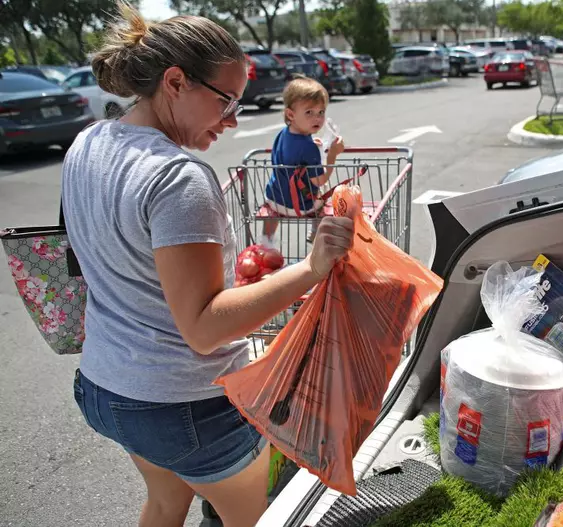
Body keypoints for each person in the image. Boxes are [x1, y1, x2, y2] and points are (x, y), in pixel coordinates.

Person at [61, 3, 354, 527]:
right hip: (186, 406)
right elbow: (203, 329)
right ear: (175, 82)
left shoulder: (88, 142)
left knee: (165, 503)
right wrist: (311, 268)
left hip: (107, 387)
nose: (234, 119)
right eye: (226, 101)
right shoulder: (179, 177)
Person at [262, 75, 345, 242]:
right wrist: (332, 155)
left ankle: (265, 241)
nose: (317, 118)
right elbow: (320, 180)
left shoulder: (284, 133)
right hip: (298, 206)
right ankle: (315, 232)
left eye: (321, 112)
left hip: (273, 198)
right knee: (322, 196)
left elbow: (292, 156)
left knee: (279, 197)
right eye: (309, 112)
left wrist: (312, 144)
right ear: (290, 114)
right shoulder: (308, 148)